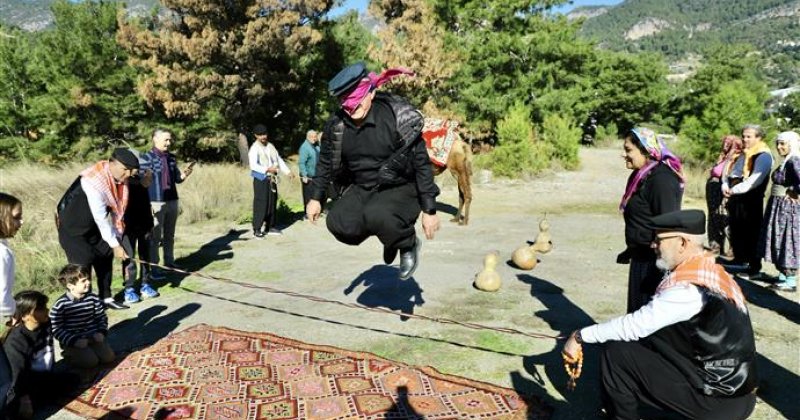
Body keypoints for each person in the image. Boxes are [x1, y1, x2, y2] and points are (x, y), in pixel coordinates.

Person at [562, 210, 757, 420]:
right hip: (736, 395)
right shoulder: (711, 272)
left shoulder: (688, 289)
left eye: (659, 239)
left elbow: (635, 326)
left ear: (682, 243)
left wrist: (579, 336)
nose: (653, 245)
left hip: (718, 403)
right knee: (641, 345)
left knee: (617, 354)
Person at [306, 62, 441, 280]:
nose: (352, 107)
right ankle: (389, 235)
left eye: (356, 99)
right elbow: (324, 162)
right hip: (362, 187)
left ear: (372, 91)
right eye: (345, 102)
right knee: (338, 222)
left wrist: (430, 210)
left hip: (399, 185)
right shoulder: (336, 126)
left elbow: (421, 163)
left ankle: (407, 244)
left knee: (379, 215)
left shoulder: (397, 118)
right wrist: (316, 197)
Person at [56, 148, 140, 310]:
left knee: (105, 254)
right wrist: (116, 245)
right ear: (111, 164)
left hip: (92, 227)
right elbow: (101, 217)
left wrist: (115, 242)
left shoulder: (118, 179)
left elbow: (116, 213)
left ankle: (105, 298)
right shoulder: (93, 181)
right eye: (125, 170)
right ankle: (83, 306)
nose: (128, 175)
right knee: (82, 265)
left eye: (131, 171)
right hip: (73, 230)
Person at [618, 127, 683, 312]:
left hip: (654, 263)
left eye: (628, 149)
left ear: (646, 150)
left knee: (647, 316)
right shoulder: (642, 175)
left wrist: (662, 262)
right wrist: (631, 249)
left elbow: (669, 223)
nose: (624, 155)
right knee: (637, 314)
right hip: (641, 256)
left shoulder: (661, 179)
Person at [722, 124, 773, 279]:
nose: (745, 139)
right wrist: (725, 184)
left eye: (749, 136)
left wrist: (733, 190)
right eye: (743, 136)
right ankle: (740, 260)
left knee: (751, 232)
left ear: (759, 138)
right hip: (736, 196)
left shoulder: (763, 155)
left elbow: (754, 181)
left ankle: (753, 267)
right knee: (737, 229)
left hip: (751, 198)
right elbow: (730, 171)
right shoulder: (742, 153)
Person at [142, 129, 194, 279]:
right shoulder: (147, 158)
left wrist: (185, 174)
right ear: (155, 140)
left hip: (172, 200)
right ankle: (155, 268)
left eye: (170, 140)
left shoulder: (171, 158)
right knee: (155, 237)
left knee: (169, 235)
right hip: (155, 201)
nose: (169, 143)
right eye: (166, 140)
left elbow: (177, 178)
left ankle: (169, 262)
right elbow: (143, 183)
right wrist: (147, 205)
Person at [3, 291, 59, 419]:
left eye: (45, 306)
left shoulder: (46, 324)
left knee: (73, 380)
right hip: (24, 387)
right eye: (40, 309)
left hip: (44, 379)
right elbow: (17, 375)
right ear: (25, 316)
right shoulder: (16, 341)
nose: (47, 310)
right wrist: (25, 399)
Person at [49, 264, 115, 368]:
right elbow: (55, 328)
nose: (88, 283)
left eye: (88, 279)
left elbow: (101, 317)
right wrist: (74, 341)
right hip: (75, 341)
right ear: (70, 286)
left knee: (109, 358)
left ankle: (91, 351)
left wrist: (101, 332)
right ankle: (68, 355)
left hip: (93, 337)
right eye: (83, 281)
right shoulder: (61, 305)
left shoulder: (93, 298)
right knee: (91, 362)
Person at [760, 131, 800, 292]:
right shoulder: (787, 161)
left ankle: (790, 280)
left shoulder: (795, 161)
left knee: (786, 239)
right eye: (778, 143)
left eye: (783, 144)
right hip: (778, 206)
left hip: (787, 209)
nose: (779, 147)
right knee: (778, 238)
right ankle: (783, 275)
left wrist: (794, 191)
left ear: (792, 144)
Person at [121, 153, 159, 304]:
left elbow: (145, 200)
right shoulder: (124, 181)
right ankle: (129, 288)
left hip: (145, 224)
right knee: (129, 258)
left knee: (145, 256)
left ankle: (145, 284)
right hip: (128, 225)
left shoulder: (141, 180)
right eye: (137, 167)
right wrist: (144, 181)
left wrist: (150, 222)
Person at [248, 124, 292, 238]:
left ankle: (270, 226)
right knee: (261, 203)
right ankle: (257, 228)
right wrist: (267, 169)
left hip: (272, 179)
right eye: (260, 135)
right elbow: (253, 165)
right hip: (261, 179)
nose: (263, 137)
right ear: (256, 136)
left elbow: (278, 160)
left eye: (265, 134)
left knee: (272, 202)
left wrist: (287, 172)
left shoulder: (270, 146)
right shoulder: (254, 148)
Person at [706, 135, 742, 258]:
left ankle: (734, 248)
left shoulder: (737, 157)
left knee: (726, 217)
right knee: (713, 217)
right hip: (714, 187)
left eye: (729, 143)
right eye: (724, 142)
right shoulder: (723, 156)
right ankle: (716, 246)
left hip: (727, 189)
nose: (725, 145)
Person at [0, 193, 22, 321]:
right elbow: (2, 299)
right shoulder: (2, 253)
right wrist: (15, 313)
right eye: (16, 217)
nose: (21, 222)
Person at [298, 129, 320, 215]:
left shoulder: (316, 145)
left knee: (315, 194)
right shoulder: (304, 147)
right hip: (308, 176)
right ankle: (307, 212)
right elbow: (301, 163)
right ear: (309, 137)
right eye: (314, 137)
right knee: (307, 195)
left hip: (316, 175)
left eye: (316, 137)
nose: (315, 138)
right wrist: (304, 175)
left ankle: (314, 211)